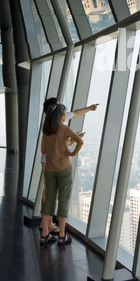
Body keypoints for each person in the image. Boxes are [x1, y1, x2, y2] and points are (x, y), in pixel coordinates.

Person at [40, 98, 99, 234]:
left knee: (48, 193)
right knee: (56, 196)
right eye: (60, 104)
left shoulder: (50, 124)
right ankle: (52, 228)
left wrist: (89, 108)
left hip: (48, 162)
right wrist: (70, 143)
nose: (63, 107)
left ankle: (46, 226)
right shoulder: (59, 125)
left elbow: (76, 113)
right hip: (56, 162)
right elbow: (54, 148)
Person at [40, 104, 84, 245]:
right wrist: (72, 152)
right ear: (61, 116)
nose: (66, 116)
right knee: (63, 200)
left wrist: (62, 143)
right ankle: (62, 236)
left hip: (50, 169)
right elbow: (80, 141)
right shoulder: (65, 128)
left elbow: (44, 150)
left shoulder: (46, 130)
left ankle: (45, 234)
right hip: (64, 168)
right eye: (65, 114)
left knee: (49, 200)